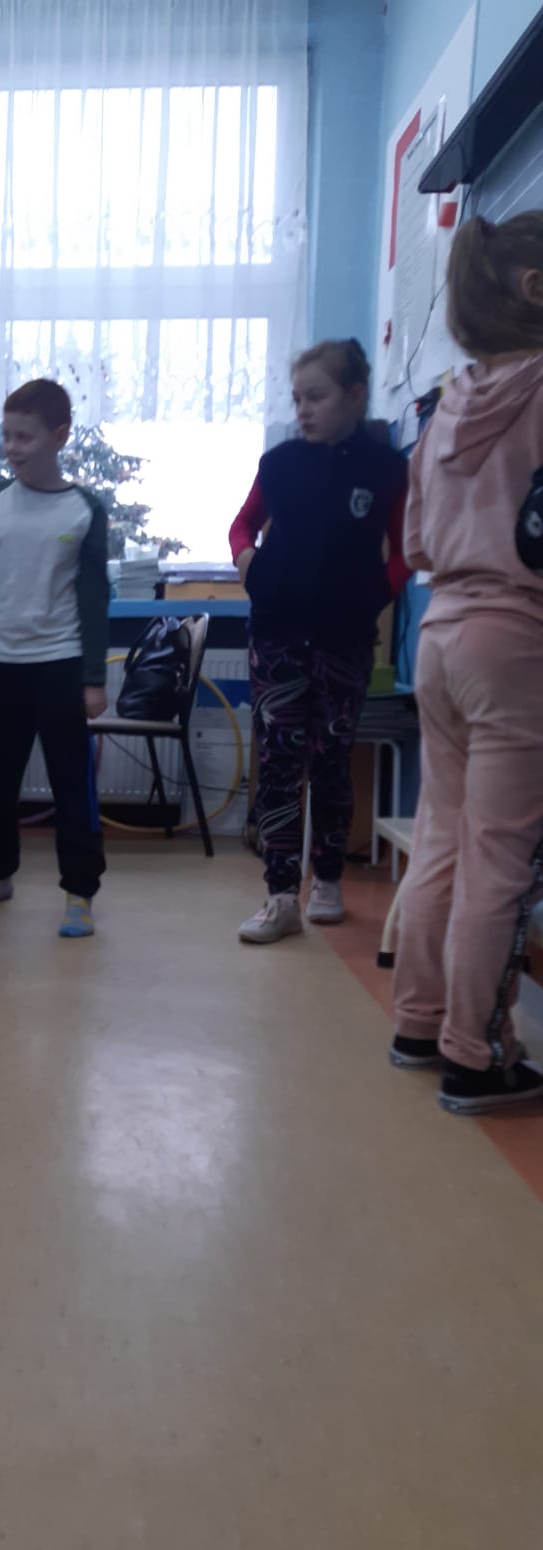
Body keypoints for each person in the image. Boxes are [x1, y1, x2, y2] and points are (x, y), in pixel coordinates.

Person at [389, 213, 543, 1114]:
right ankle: (477, 1053)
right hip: (518, 639)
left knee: (443, 833)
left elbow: (413, 542)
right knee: (501, 855)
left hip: (440, 632)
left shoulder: (447, 404)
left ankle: (419, 1021)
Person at [230, 338, 410, 944]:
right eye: (297, 399)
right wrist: (248, 563)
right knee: (278, 764)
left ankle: (327, 879)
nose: (303, 410)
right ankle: (281, 895)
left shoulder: (387, 469)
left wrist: (374, 595)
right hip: (276, 636)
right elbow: (241, 524)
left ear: (354, 397)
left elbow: (406, 549)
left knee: (331, 761)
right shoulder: (279, 463)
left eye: (316, 397)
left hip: (344, 641)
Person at [0, 379, 109, 938]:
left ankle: (80, 893)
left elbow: (94, 597)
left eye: (25, 437)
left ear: (60, 436)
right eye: (7, 435)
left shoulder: (84, 509)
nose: (12, 447)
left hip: (59, 663)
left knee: (72, 785)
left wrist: (93, 678)